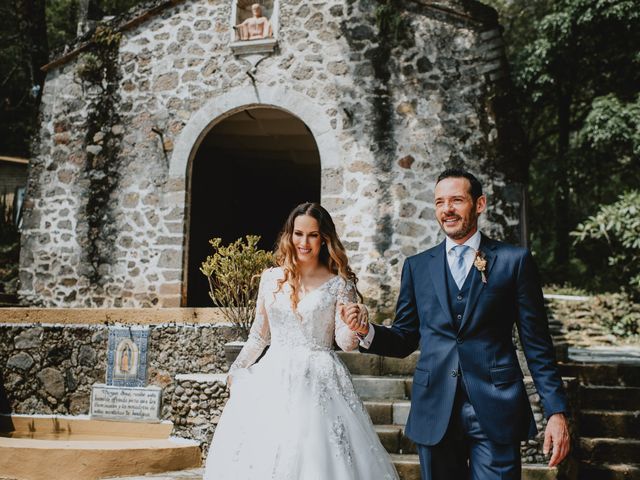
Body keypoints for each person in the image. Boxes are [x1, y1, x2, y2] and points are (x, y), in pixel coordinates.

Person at [341, 168, 570, 480]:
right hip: (435, 407)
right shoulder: (417, 267)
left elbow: (537, 344)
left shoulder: (514, 261)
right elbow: (406, 337)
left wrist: (556, 411)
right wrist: (367, 332)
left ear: (479, 204)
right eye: (439, 202)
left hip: (496, 406)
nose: (446, 209)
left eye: (456, 200)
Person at [203, 202, 399, 479]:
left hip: (320, 381)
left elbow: (344, 343)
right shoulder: (271, 279)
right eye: (298, 233)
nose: (303, 242)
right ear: (289, 235)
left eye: (312, 235)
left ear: (324, 239)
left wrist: (356, 325)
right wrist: (236, 369)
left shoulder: (340, 283)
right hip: (273, 378)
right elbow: (259, 336)